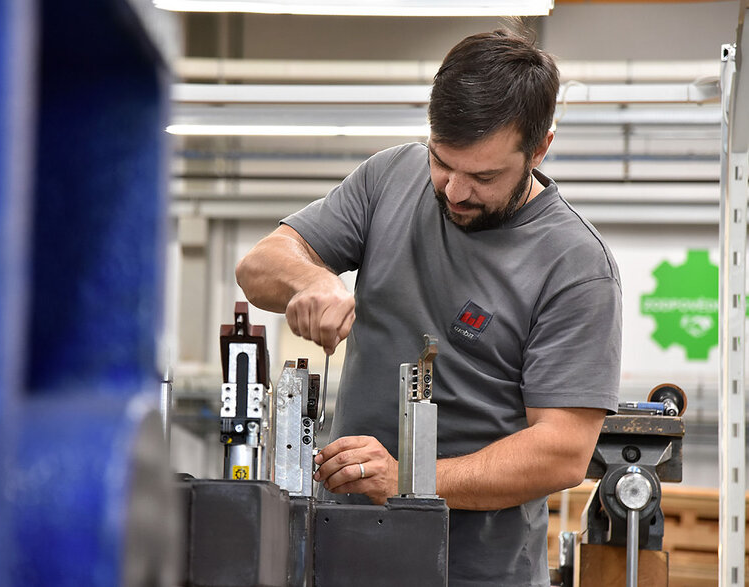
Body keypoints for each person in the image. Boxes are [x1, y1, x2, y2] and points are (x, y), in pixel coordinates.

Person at [236, 29, 621, 586]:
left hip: (477, 572)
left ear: (540, 148)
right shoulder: (391, 178)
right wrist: (310, 280)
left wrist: (409, 480)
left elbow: (561, 451)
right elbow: (260, 265)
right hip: (344, 553)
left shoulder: (576, 268)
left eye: (484, 176)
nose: (455, 191)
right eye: (443, 162)